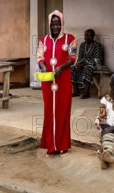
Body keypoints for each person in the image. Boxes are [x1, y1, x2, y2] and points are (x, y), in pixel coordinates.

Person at [37, 10, 77, 157]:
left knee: (62, 111)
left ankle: (63, 146)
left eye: (58, 24)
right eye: (53, 24)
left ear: (62, 24)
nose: (56, 27)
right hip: (48, 82)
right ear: (49, 25)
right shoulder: (44, 40)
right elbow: (39, 57)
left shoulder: (70, 39)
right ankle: (50, 145)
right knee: (49, 111)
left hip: (63, 80)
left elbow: (73, 57)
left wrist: (62, 67)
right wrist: (43, 66)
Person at [71, 29, 104, 99]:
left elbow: (97, 59)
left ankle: (86, 92)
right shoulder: (82, 45)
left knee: (87, 68)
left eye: (90, 35)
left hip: (95, 64)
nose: (87, 37)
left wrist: (83, 64)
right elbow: (80, 57)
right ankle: (76, 90)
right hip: (83, 64)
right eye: (86, 35)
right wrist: (78, 64)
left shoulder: (97, 45)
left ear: (93, 36)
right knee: (73, 67)